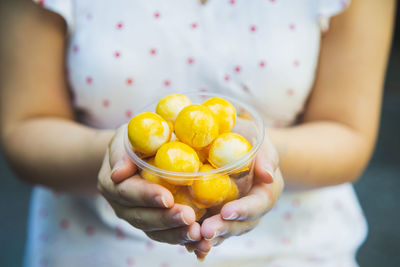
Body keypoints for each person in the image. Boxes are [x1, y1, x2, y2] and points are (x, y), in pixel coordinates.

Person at [0, 0, 394, 266]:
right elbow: (25, 128)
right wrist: (113, 155)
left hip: (298, 251)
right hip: (92, 251)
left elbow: (348, 134)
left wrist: (260, 158)